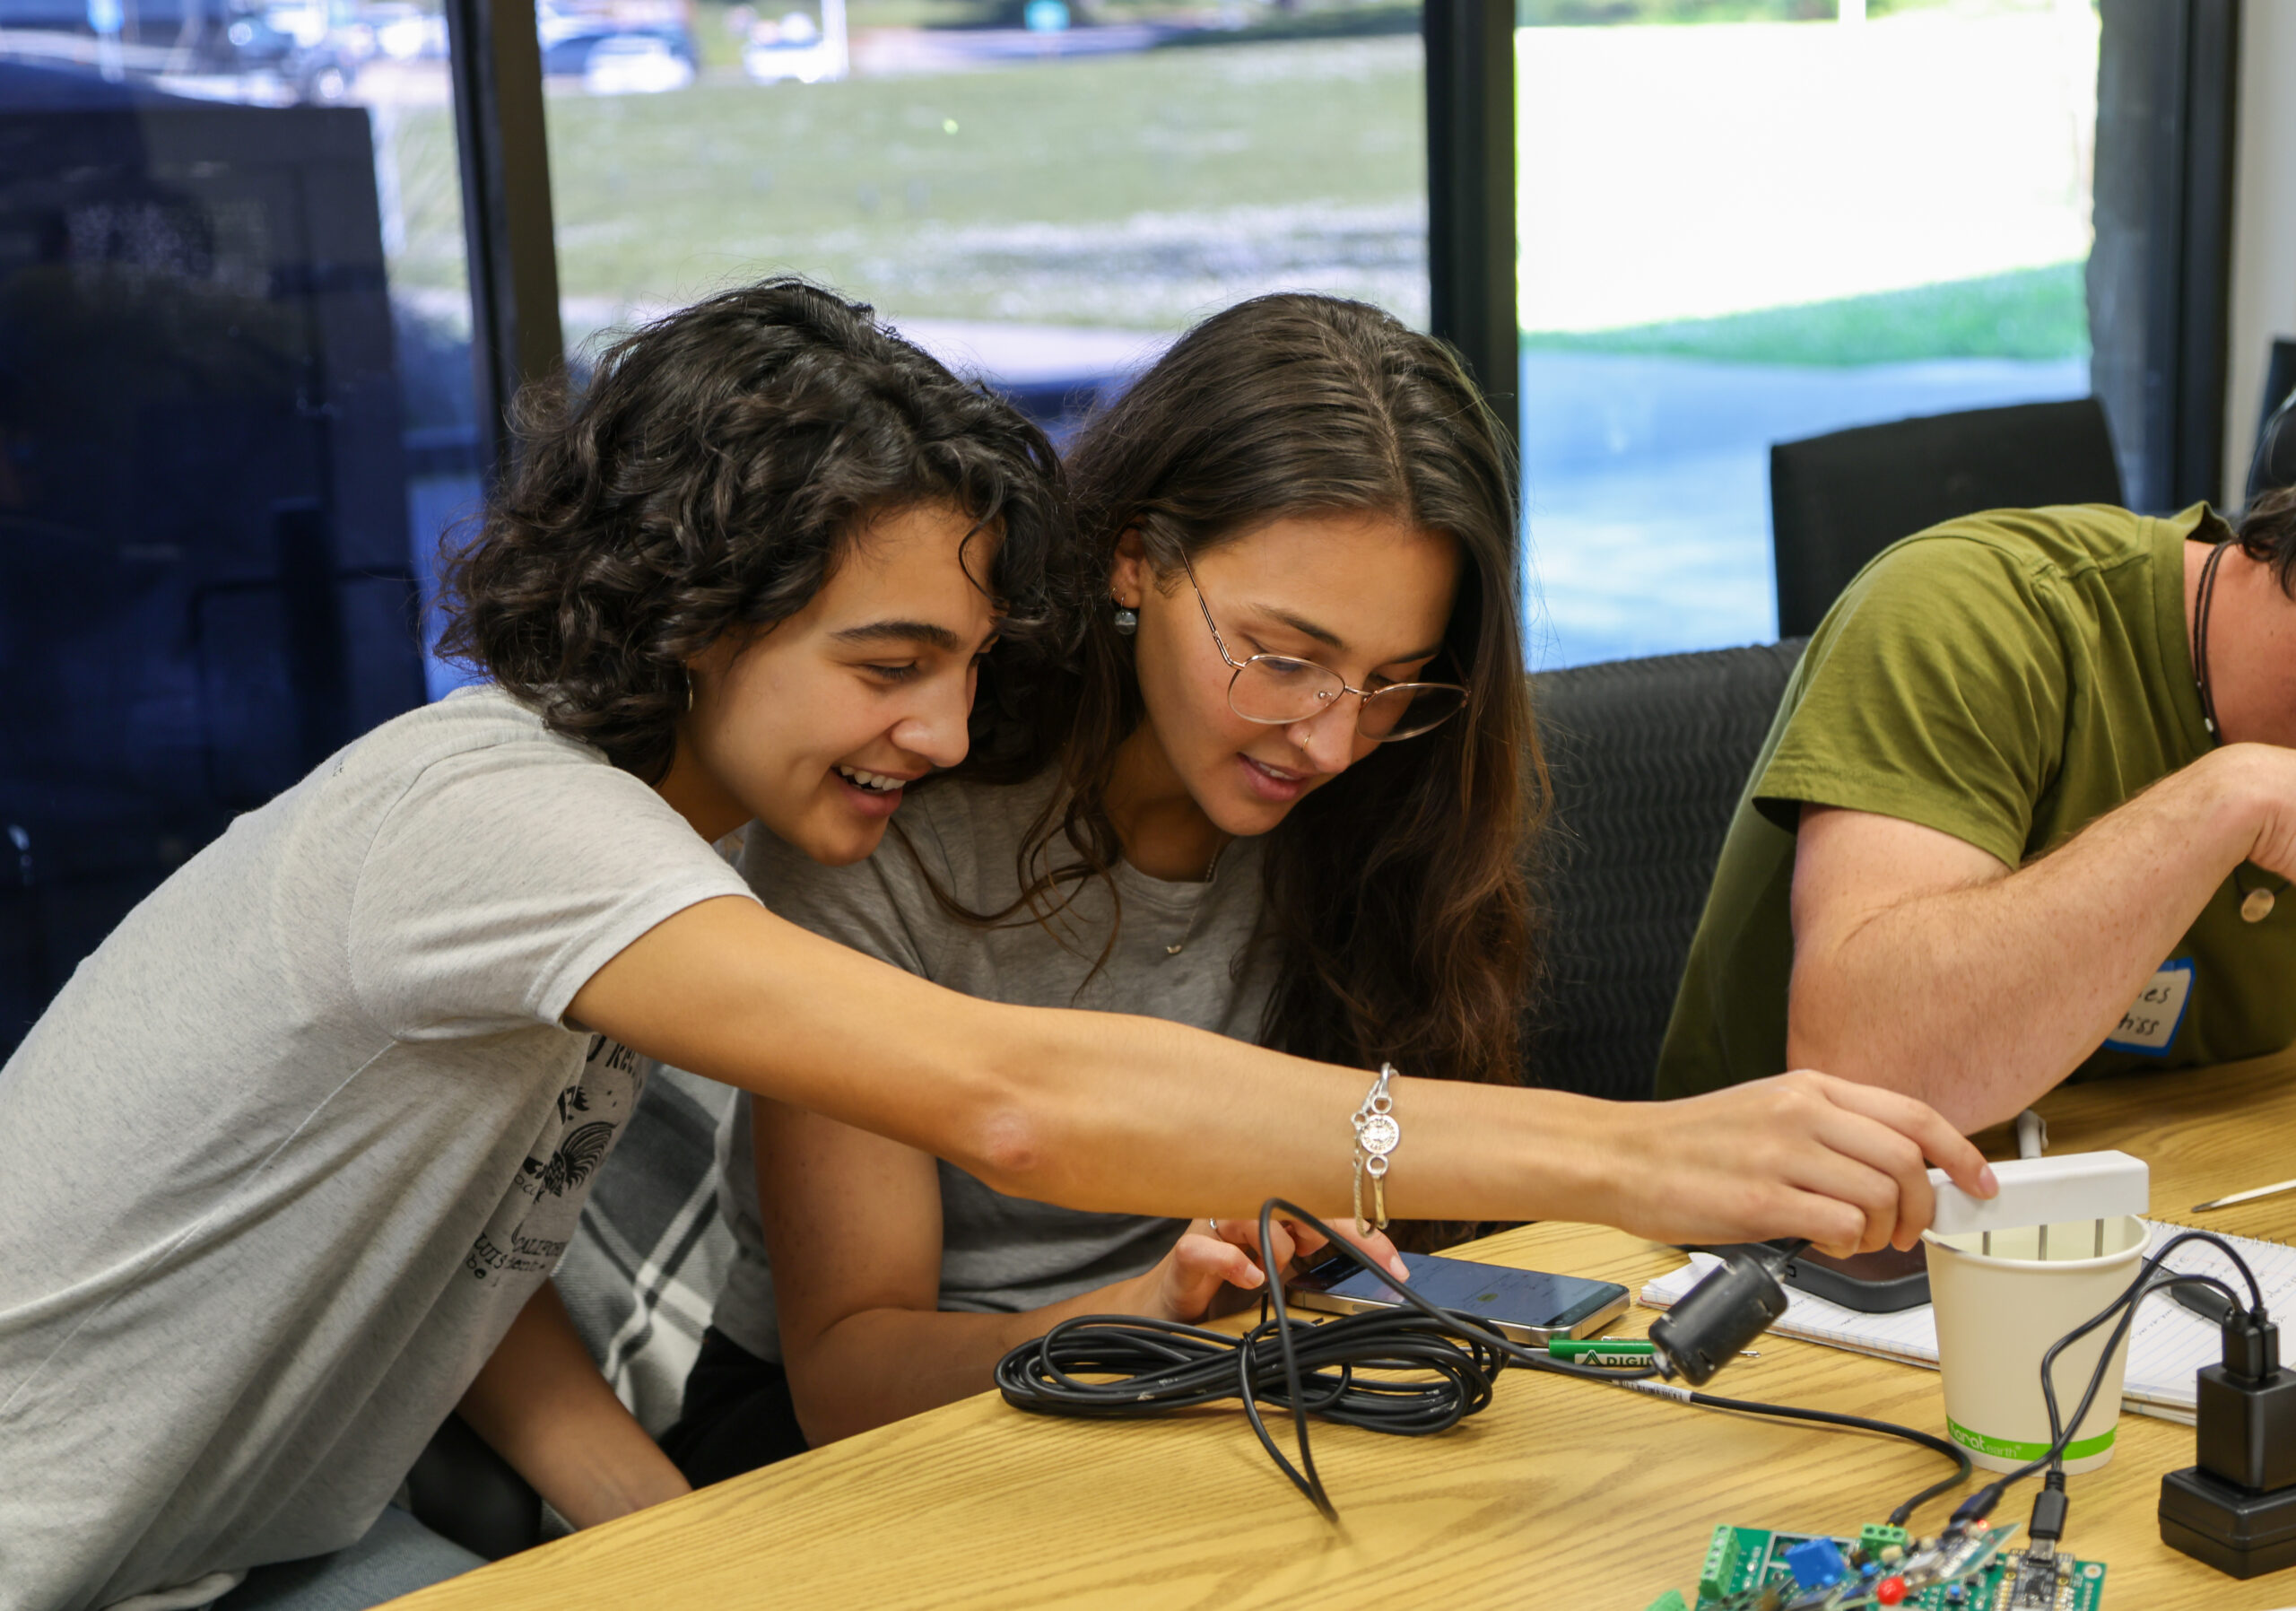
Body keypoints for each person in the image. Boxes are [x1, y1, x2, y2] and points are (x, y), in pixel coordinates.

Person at [0, 279, 1987, 1611]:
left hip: (272, 1537)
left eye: (959, 667)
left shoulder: (606, 862)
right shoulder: (500, 824)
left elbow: (453, 1241)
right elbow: (1017, 1100)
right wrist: (1634, 1152)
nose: (945, 735)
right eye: (886, 665)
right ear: (693, 605)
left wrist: (665, 1537)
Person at [663, 293, 1987, 1485]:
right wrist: (1144, 1308)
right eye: (1282, 656)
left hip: (1238, 1391)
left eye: (1394, 676)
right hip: (894, 1444)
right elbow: (846, 1376)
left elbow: (1391, 1169)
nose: (1330, 738)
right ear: (1131, 555)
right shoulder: (886, 810)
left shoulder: (1383, 795)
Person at [1657, 496, 2296, 1131]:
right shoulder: (1971, 610)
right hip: (1790, 1215)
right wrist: (2223, 801)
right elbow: (1863, 1068)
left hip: (2179, 1188)